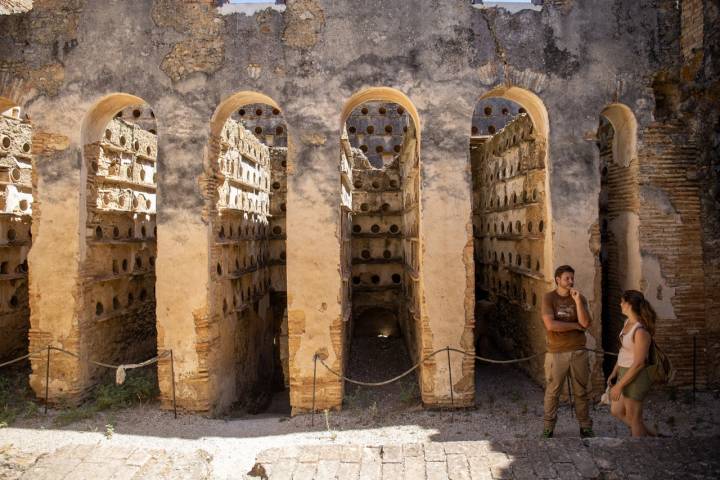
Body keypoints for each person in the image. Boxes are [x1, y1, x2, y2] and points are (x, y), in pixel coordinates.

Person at [541, 265, 593, 438]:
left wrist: (578, 302)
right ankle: (548, 427)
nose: (571, 281)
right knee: (553, 391)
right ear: (558, 280)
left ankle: (585, 426)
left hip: (578, 351)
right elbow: (551, 325)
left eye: (572, 278)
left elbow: (585, 324)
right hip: (556, 352)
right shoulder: (549, 298)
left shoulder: (580, 298)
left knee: (581, 391)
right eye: (567, 278)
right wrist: (574, 326)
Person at [607, 290, 656, 437]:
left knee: (634, 418)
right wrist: (614, 372)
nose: (620, 304)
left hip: (636, 376)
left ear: (629, 304)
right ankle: (650, 436)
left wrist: (619, 386)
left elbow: (639, 363)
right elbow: (624, 350)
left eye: (622, 302)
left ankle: (640, 449)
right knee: (616, 410)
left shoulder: (640, 331)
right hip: (624, 371)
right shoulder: (627, 322)